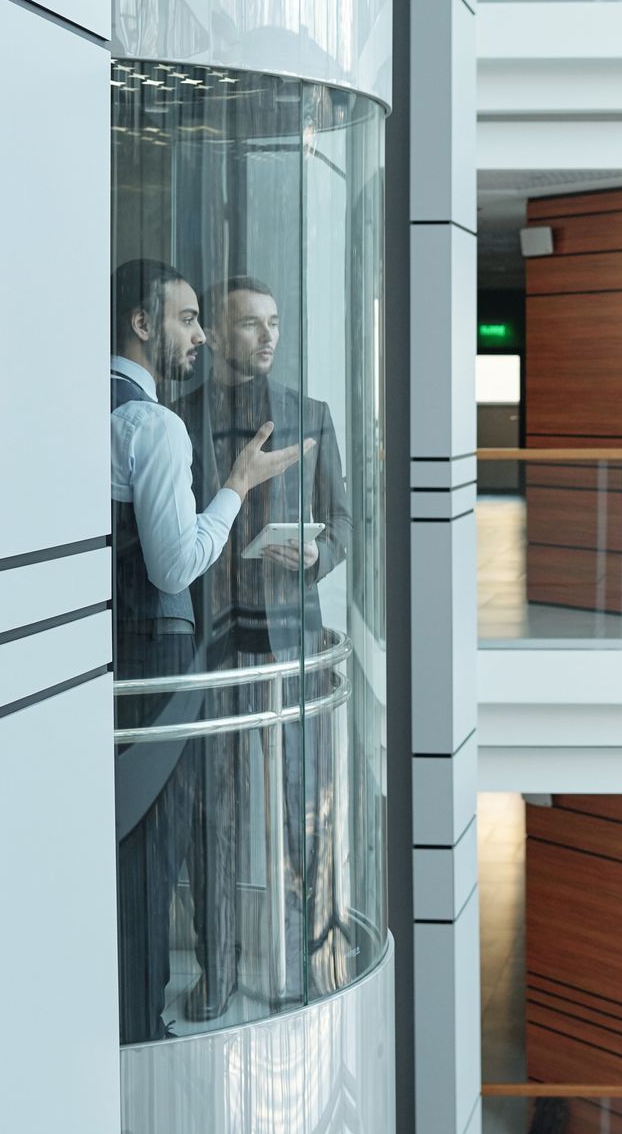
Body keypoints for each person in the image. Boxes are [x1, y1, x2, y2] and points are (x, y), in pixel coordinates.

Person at [110, 258, 311, 1043]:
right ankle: (138, 1021)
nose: (195, 333)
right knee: (153, 848)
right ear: (142, 322)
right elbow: (174, 565)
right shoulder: (157, 422)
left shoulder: (79, 404)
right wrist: (236, 483)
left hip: (120, 649)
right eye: (188, 317)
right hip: (163, 655)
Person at [178, 275, 352, 1017]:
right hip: (215, 651)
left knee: (304, 816)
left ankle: (312, 965)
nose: (268, 336)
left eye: (275, 323)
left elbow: (343, 521)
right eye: (251, 324)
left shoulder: (310, 415)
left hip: (293, 647)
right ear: (217, 332)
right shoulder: (178, 423)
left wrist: (316, 557)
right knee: (213, 821)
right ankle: (218, 976)